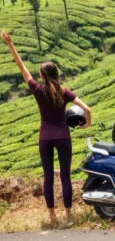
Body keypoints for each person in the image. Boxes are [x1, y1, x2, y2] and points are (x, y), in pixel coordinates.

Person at [1, 30, 92, 224]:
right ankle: (68, 216)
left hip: (45, 138)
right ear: (56, 74)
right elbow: (87, 109)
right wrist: (86, 124)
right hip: (63, 138)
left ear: (42, 75)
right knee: (66, 177)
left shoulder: (37, 90)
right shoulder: (65, 92)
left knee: (48, 177)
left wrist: (10, 45)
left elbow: (22, 68)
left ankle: (52, 216)